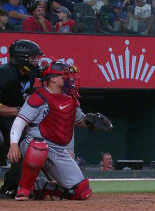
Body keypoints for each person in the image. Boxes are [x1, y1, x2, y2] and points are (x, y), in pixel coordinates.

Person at [7, 61, 92, 201]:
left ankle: (39, 186)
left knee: (82, 192)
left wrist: (92, 121)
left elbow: (79, 122)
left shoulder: (71, 99)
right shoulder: (38, 97)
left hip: (58, 150)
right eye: (64, 76)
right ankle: (24, 188)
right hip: (32, 144)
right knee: (38, 147)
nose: (69, 79)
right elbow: (19, 121)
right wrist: (14, 144)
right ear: (52, 78)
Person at [0, 39, 42, 199]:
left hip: (10, 118)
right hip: (6, 115)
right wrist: (17, 111)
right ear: (22, 58)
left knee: (25, 147)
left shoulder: (28, 76)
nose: (36, 61)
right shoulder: (5, 73)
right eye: (32, 58)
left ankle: (10, 188)